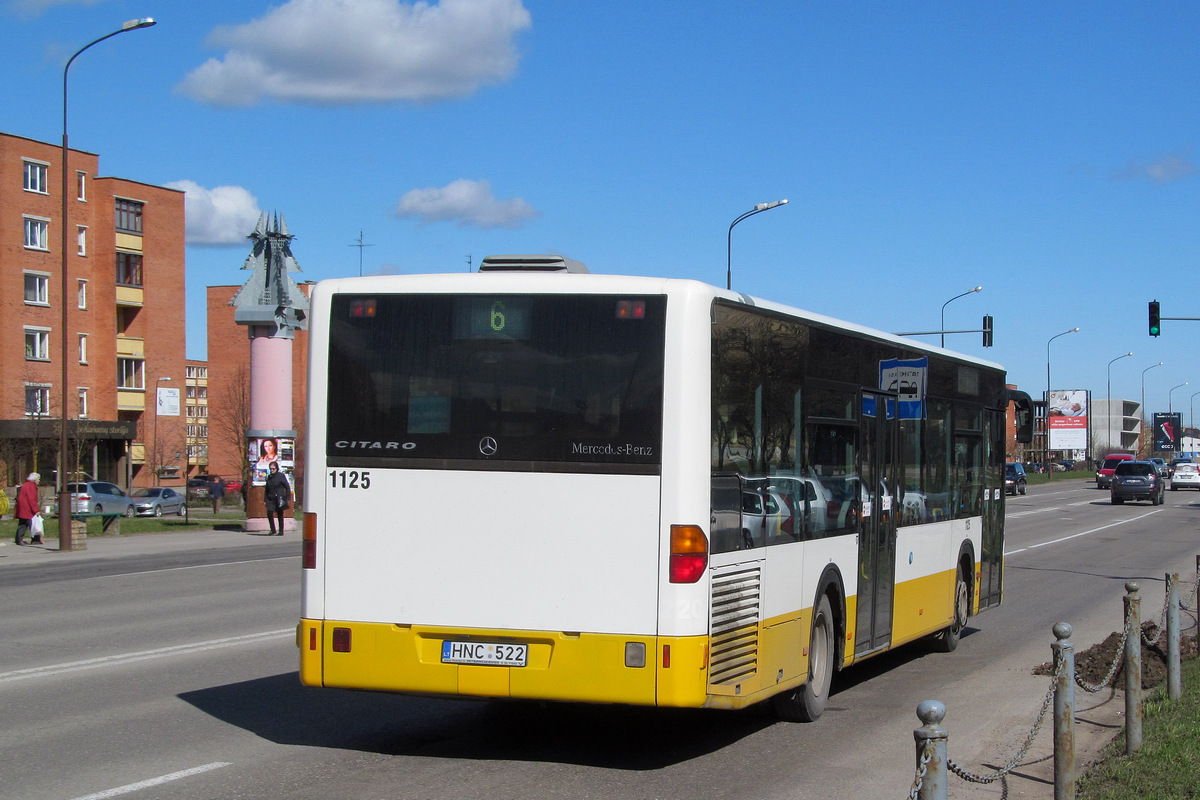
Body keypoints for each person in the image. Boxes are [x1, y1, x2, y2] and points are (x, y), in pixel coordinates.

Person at [263, 461, 290, 535]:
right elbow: (267, 489)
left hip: (279, 498)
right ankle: (273, 530)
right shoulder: (269, 477)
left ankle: (281, 531)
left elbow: (287, 487)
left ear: (277, 469)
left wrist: (287, 497)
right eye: (270, 469)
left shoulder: (280, 476)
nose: (272, 470)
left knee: (280, 514)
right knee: (269, 513)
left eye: (273, 469)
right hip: (270, 498)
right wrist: (265, 499)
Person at [15, 472, 40, 546]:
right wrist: (36, 510)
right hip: (28, 509)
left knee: (22, 524)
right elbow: (32, 499)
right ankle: (36, 539)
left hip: (22, 508)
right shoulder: (31, 486)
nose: (39, 481)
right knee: (33, 524)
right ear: (35, 480)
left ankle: (18, 539)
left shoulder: (25, 485)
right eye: (38, 479)